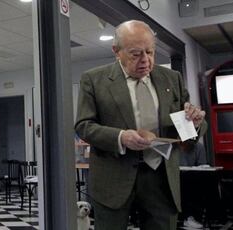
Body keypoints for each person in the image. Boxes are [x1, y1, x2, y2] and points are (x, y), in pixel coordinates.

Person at [74, 20, 207, 230]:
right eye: (135, 54)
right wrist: (120, 137)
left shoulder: (172, 79)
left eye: (150, 52)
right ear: (116, 51)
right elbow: (84, 125)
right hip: (113, 178)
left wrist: (196, 123)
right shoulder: (93, 80)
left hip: (161, 177)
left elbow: (189, 131)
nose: (145, 60)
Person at [179, 141, 208, 229]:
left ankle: (215, 216)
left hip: (191, 177)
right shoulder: (173, 147)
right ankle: (187, 217)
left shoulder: (199, 147)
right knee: (186, 180)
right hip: (176, 176)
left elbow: (202, 165)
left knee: (207, 179)